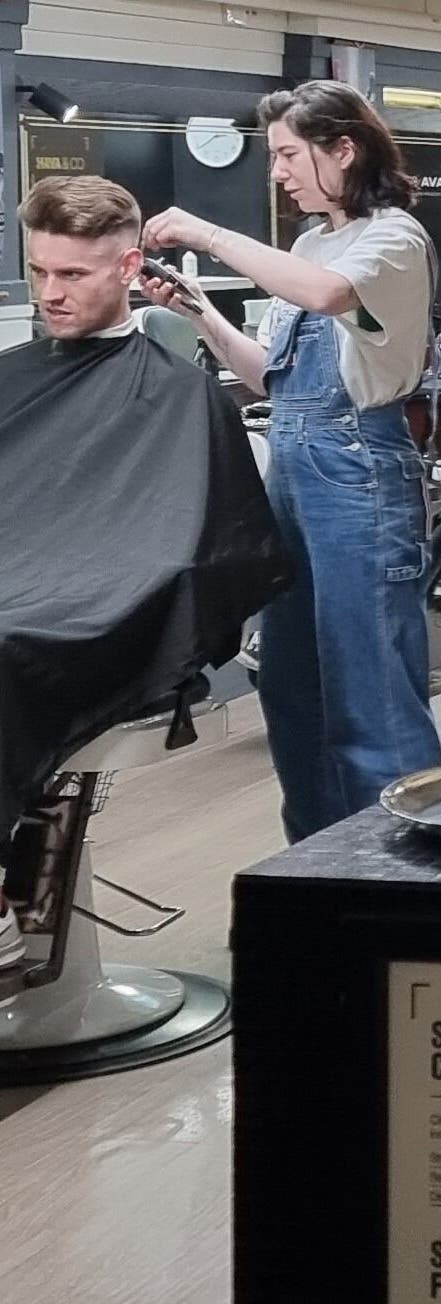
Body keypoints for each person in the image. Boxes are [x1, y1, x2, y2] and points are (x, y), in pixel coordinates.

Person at [141, 80, 441, 842]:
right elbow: (270, 375)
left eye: (286, 154)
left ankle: (406, 883)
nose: (276, 172)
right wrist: (199, 313)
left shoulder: (393, 241)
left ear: (345, 148)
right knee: (293, 689)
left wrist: (209, 236)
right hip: (295, 468)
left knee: (370, 695)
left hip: (359, 475)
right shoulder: (309, 242)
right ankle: (315, 873)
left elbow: (330, 294)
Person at [2, 177, 287, 968]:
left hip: (105, 608)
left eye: (74, 275)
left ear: (129, 267)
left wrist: (88, 584)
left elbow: (194, 549)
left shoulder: (180, 394)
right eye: (40, 271)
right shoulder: (12, 380)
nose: (51, 294)